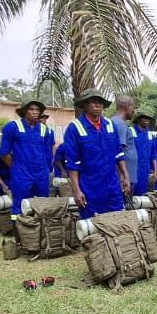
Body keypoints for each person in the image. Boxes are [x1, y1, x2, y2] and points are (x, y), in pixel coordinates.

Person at [63, 90, 131, 219]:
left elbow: (119, 154)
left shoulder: (110, 125)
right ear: (85, 105)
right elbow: (72, 164)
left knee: (117, 222)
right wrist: (76, 190)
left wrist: (125, 176)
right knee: (92, 226)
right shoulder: (75, 128)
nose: (98, 105)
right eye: (94, 102)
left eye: (100, 103)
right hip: (90, 188)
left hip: (112, 185)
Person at [0, 100, 55, 218]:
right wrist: (16, 167)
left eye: (38, 110)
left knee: (41, 204)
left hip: (41, 174)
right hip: (21, 174)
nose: (35, 112)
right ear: (24, 111)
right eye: (31, 109)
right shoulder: (12, 127)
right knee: (19, 205)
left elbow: (48, 153)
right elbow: (4, 152)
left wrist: (47, 169)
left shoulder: (46, 130)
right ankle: (19, 234)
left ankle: (38, 233)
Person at [111, 94, 138, 194]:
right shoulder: (120, 125)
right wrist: (122, 177)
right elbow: (118, 152)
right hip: (125, 179)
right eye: (133, 108)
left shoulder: (114, 122)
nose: (133, 111)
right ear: (127, 107)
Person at [132, 112, 157, 195]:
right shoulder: (131, 131)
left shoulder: (150, 135)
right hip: (132, 169)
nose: (147, 120)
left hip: (145, 170)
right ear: (138, 119)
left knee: (141, 195)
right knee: (129, 194)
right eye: (144, 118)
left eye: (148, 119)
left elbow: (153, 154)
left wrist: (155, 170)